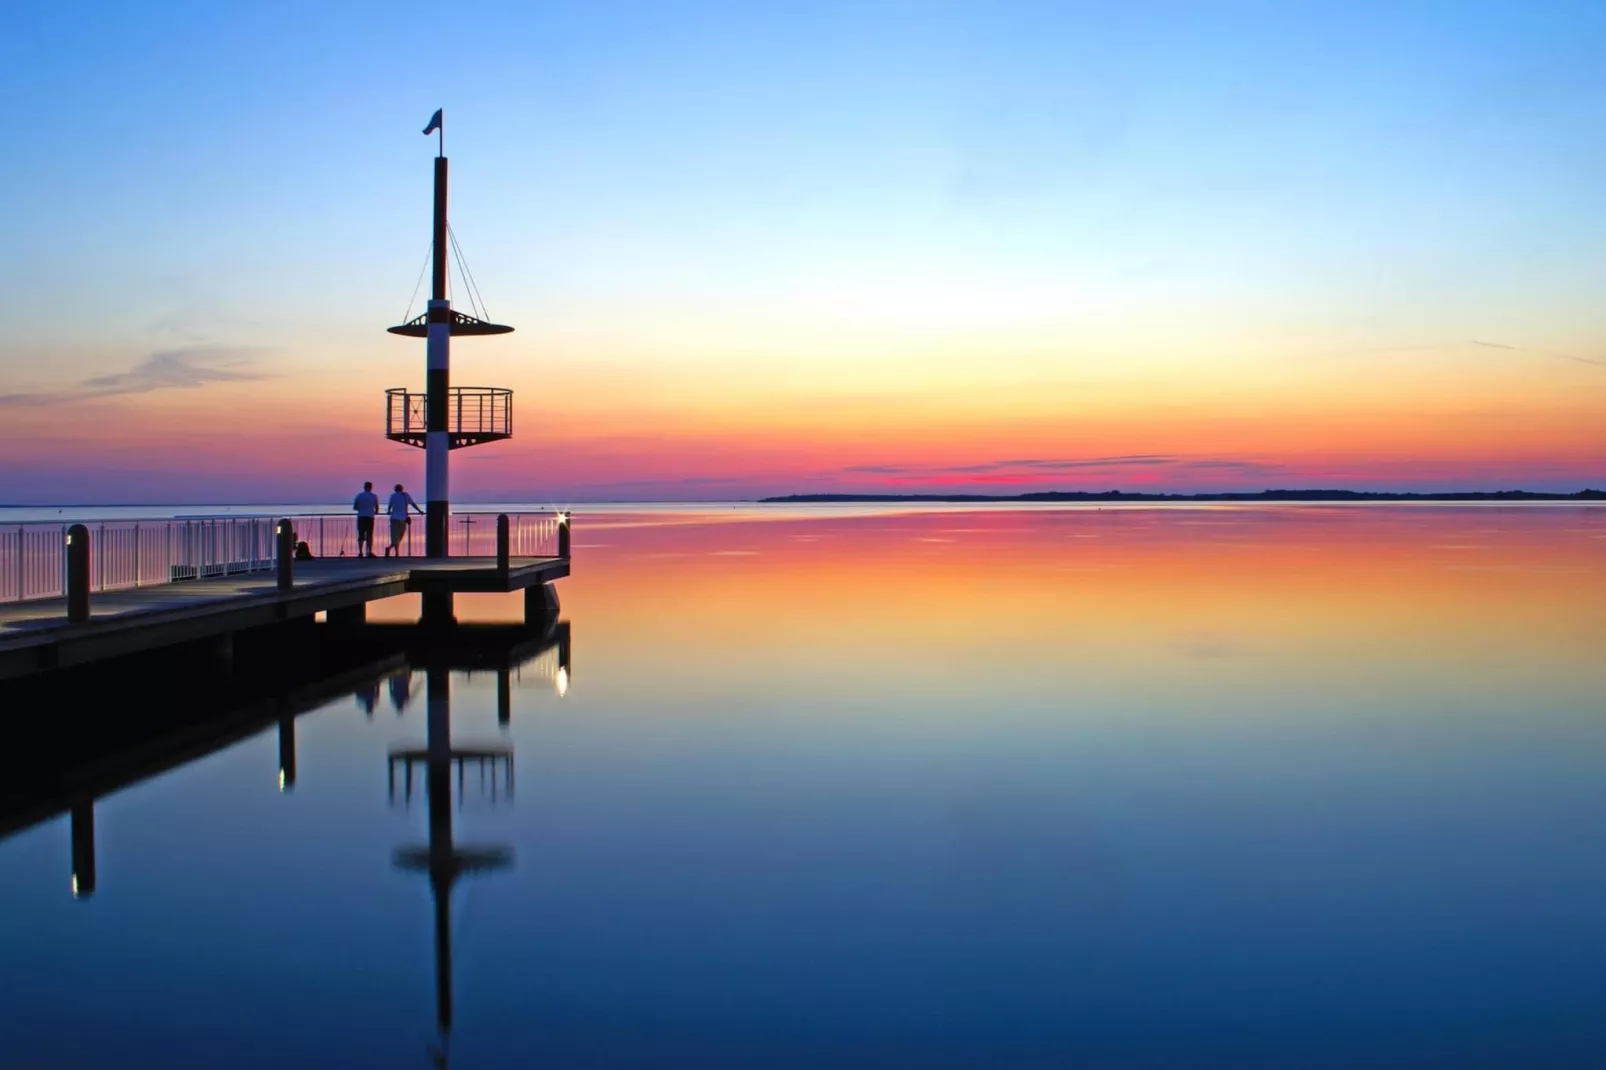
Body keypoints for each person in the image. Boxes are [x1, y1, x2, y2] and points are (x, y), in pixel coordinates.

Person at [386, 483, 424, 556]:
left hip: (394, 518)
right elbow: (413, 504)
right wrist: (419, 511)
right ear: (402, 489)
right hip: (402, 518)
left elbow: (390, 505)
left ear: (395, 489)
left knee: (395, 536)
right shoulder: (405, 495)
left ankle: (390, 548)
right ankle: (396, 553)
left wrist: (388, 511)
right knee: (400, 536)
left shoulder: (393, 496)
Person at [353, 481, 380, 558]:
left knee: (361, 535)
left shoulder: (359, 496)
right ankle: (369, 552)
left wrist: (361, 508)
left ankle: (360, 552)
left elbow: (355, 507)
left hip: (361, 517)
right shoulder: (374, 496)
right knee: (369, 535)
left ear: (364, 487)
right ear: (371, 487)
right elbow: (377, 508)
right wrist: (375, 512)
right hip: (370, 517)